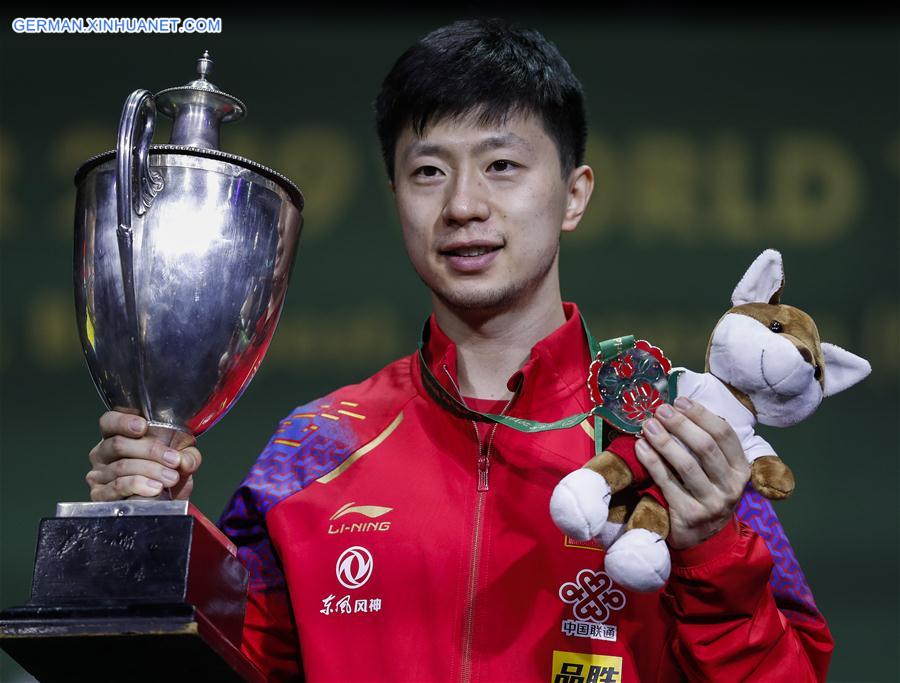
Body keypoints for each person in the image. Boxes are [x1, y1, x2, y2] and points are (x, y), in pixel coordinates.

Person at [86, 18, 834, 682]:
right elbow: (230, 664)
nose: (464, 204)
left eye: (502, 165)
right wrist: (153, 549)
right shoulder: (313, 450)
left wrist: (707, 555)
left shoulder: (679, 439)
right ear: (397, 200)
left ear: (574, 194)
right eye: (429, 171)